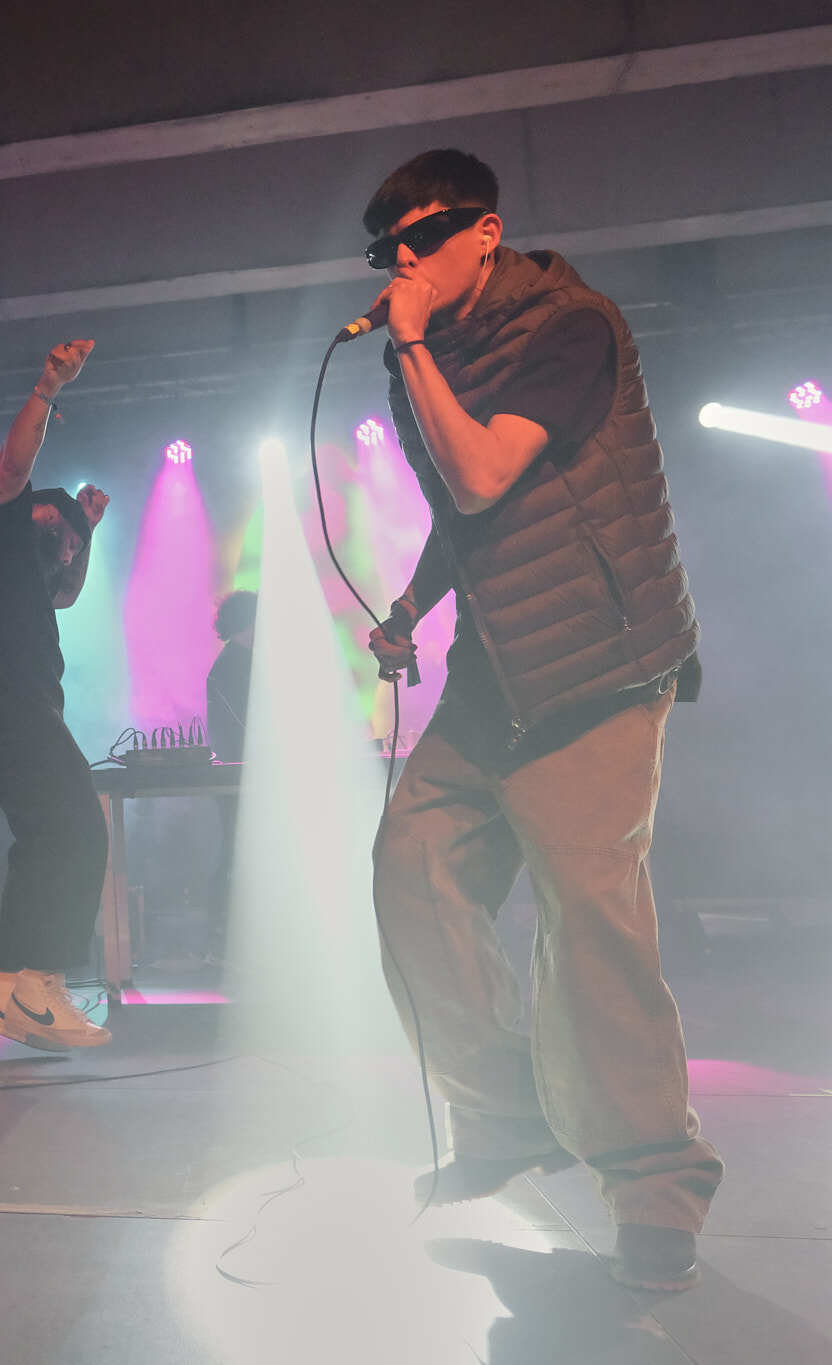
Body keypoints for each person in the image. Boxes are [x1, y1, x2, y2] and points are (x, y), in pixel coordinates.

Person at [357, 149, 719, 1291]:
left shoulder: (570, 326)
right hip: (497, 669)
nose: (404, 261)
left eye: (427, 234)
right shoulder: (432, 360)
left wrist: (408, 342)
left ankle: (654, 1184)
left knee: (586, 920)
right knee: (408, 873)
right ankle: (507, 1117)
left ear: (486, 231)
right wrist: (412, 602)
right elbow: (471, 521)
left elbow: (479, 475)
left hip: (601, 665)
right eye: (385, 250)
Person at [0, 339, 114, 1050]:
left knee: (44, 835)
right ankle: (41, 979)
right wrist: (46, 388)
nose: (69, 550)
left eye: (76, 544)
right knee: (80, 826)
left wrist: (89, 536)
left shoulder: (32, 567)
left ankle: (9, 985)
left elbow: (65, 596)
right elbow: (13, 466)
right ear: (33, 511)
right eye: (64, 532)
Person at [204, 590, 256, 961]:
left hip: (245, 775)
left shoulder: (243, 662)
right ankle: (222, 942)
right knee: (238, 856)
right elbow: (246, 724)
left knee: (239, 855)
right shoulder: (230, 668)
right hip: (240, 776)